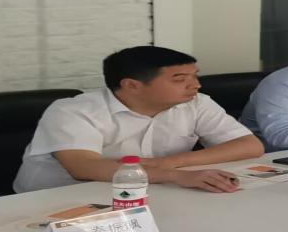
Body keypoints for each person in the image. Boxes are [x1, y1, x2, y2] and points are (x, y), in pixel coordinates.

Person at [13, 46, 264, 193]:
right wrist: (174, 175)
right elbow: (84, 167)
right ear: (132, 85)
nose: (195, 85)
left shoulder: (196, 102)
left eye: (195, 76)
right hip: (55, 201)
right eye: (180, 79)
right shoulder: (72, 111)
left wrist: (171, 163)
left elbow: (250, 146)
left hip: (148, 192)